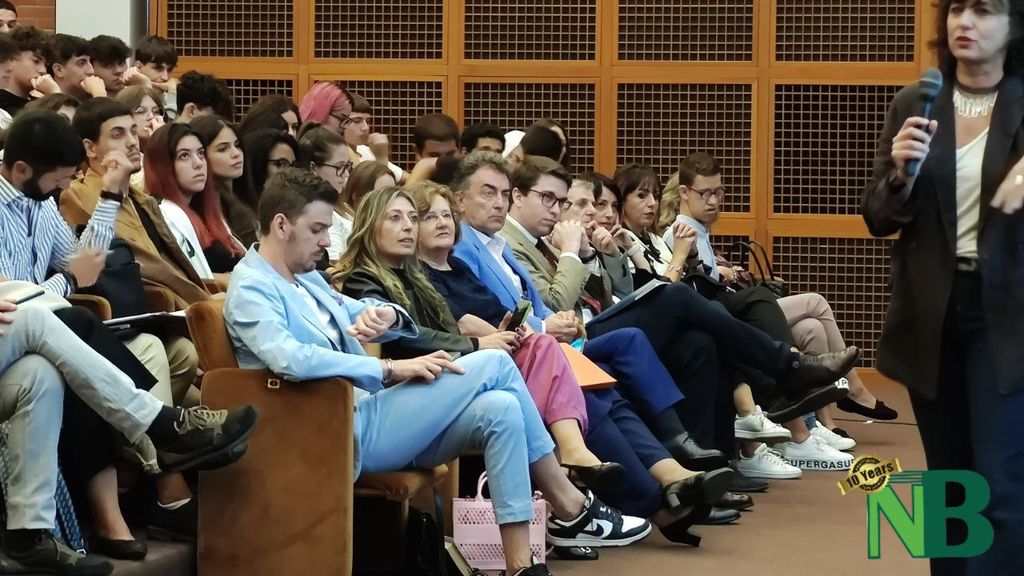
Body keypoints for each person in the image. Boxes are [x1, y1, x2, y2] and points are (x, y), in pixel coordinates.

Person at [224, 167, 652, 576]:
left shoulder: (307, 278)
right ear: (281, 225)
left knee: (501, 408)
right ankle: (568, 503)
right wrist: (388, 367)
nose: (325, 241)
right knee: (495, 362)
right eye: (317, 229)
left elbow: (364, 309)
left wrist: (386, 315)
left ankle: (522, 564)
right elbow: (292, 359)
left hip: (365, 416)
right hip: (331, 430)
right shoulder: (252, 287)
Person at [863, 1, 1024, 573]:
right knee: (948, 484)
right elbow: (877, 216)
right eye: (957, 8)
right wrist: (901, 177)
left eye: (984, 10)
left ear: (1014, 24)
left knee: (1001, 483)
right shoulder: (916, 101)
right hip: (931, 312)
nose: (965, 21)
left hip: (1008, 315)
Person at [62, 97, 213, 311]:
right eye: (118, 135)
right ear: (90, 148)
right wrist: (203, 303)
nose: (132, 142)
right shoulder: (77, 196)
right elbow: (125, 269)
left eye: (133, 131)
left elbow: (172, 266)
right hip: (149, 309)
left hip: (185, 303)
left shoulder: (144, 200)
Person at [144, 122, 245, 277]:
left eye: (201, 153)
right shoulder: (161, 217)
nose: (198, 163)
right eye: (184, 156)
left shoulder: (208, 210)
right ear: (163, 165)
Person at [233, 127, 298, 215]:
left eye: (293, 165)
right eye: (281, 164)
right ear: (257, 165)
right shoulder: (238, 214)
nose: (289, 172)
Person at [43, 33, 105, 100]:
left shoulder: (89, 99)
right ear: (59, 70)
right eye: (82, 63)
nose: (91, 71)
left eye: (90, 62)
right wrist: (99, 95)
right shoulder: (39, 104)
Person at [133, 34, 178, 117]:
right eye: (158, 68)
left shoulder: (169, 97)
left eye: (169, 70)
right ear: (138, 67)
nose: (165, 77)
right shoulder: (126, 98)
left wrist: (172, 94)